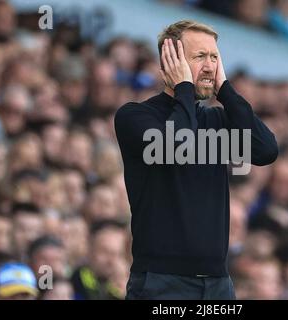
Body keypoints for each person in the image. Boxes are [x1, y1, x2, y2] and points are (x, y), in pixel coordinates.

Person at [114, 20, 278, 300]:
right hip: (160, 283)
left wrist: (225, 88)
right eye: (200, 56)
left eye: (215, 57)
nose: (210, 65)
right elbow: (177, 147)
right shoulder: (135, 116)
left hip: (217, 284)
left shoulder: (217, 119)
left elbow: (266, 150)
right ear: (170, 62)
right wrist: (184, 89)